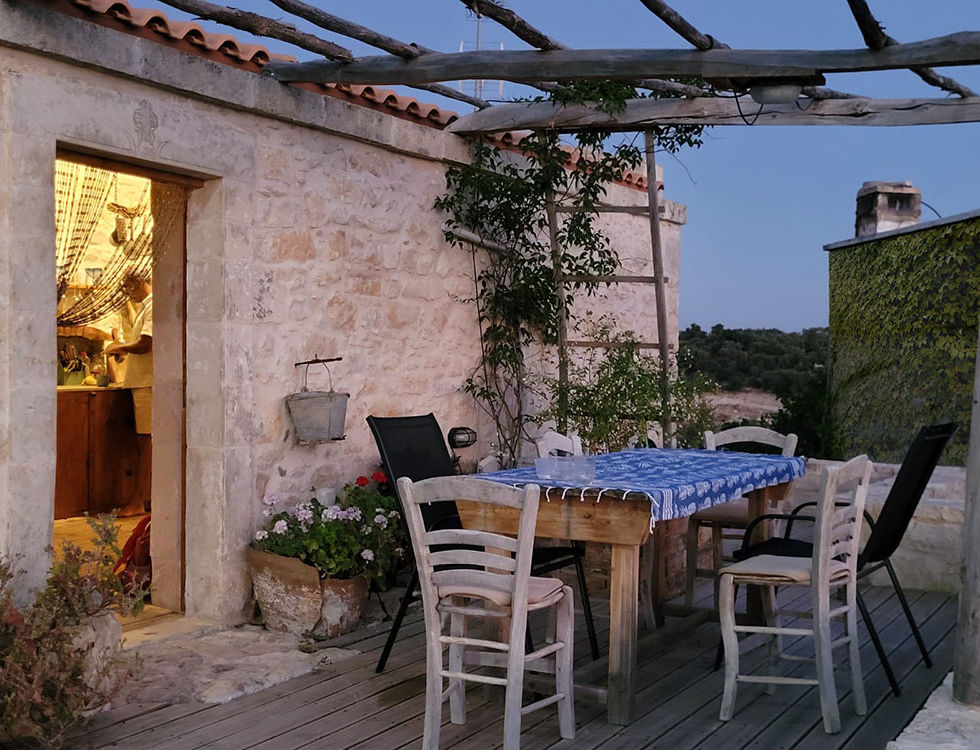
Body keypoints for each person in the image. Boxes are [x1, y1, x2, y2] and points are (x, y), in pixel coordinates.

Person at [105, 272, 152, 517]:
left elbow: (147, 345)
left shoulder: (153, 304)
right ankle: (142, 499)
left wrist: (119, 347)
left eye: (128, 287)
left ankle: (138, 501)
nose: (127, 293)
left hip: (149, 382)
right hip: (144, 381)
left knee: (147, 442)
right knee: (144, 442)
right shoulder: (146, 307)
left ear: (138, 282)